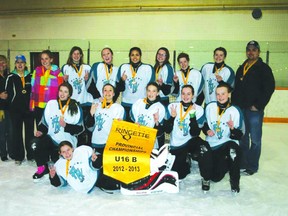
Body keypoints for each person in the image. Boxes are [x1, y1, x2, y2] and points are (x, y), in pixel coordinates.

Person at [232, 40, 275, 175]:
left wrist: (259, 105)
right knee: (243, 138)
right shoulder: (242, 67)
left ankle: (252, 166)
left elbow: (269, 88)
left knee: (255, 139)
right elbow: (236, 89)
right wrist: (235, 106)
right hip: (241, 109)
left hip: (254, 110)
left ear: (258, 52)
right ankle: (243, 163)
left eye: (254, 50)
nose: (251, 52)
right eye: (249, 50)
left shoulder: (264, 68)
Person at [31, 82, 84, 180]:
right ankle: (42, 167)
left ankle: (55, 158)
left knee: (61, 168)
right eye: (61, 91)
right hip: (52, 138)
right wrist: (41, 131)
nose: (62, 94)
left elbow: (80, 129)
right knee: (35, 144)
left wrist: (66, 126)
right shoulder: (51, 104)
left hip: (66, 143)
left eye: (65, 92)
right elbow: (44, 123)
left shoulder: (75, 106)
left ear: (69, 94)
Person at [165, 85, 212, 190]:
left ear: (193, 96)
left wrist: (192, 117)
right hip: (177, 145)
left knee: (204, 148)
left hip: (191, 141)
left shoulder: (198, 109)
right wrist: (172, 118)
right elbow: (167, 130)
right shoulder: (173, 106)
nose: (185, 96)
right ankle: (186, 160)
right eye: (183, 93)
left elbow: (195, 133)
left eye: (188, 94)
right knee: (179, 175)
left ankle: (206, 178)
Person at [203, 83, 245, 193]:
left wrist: (232, 130)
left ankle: (234, 182)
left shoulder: (235, 111)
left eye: (223, 94)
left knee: (233, 151)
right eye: (218, 94)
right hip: (213, 145)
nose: (220, 97)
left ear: (229, 94)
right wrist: (207, 130)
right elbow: (204, 124)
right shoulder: (210, 107)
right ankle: (225, 164)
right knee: (215, 177)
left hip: (227, 143)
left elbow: (240, 135)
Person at [62, 46, 93, 145]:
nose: (76, 56)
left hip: (85, 102)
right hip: (72, 103)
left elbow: (92, 85)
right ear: (71, 55)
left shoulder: (87, 67)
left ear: (81, 55)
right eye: (74, 53)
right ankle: (74, 147)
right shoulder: (66, 67)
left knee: (86, 127)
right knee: (74, 126)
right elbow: (62, 87)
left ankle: (86, 147)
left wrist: (88, 79)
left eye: (78, 54)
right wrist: (64, 80)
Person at [6, 55, 34, 165]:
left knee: (30, 133)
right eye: (17, 62)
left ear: (25, 63)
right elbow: (7, 94)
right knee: (17, 134)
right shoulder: (11, 77)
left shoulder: (31, 76)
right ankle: (19, 156)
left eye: (22, 62)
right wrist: (9, 107)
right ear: (15, 64)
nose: (20, 64)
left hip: (29, 110)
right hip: (15, 110)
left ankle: (31, 155)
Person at [117, 47, 155, 122]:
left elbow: (152, 88)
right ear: (129, 56)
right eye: (132, 55)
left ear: (140, 56)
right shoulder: (123, 67)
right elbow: (119, 89)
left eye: (137, 55)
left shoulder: (148, 68)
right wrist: (122, 81)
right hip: (126, 104)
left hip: (141, 104)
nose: (134, 57)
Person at [86, 83, 125, 154]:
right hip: (96, 142)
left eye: (110, 90)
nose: (107, 92)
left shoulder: (118, 108)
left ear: (113, 94)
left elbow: (119, 130)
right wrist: (91, 114)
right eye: (105, 90)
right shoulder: (96, 106)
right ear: (102, 93)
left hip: (110, 144)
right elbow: (89, 128)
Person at [30, 50, 64, 128]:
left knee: (51, 127)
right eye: (42, 59)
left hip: (52, 105)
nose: (44, 61)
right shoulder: (37, 71)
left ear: (51, 59)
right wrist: (32, 104)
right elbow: (32, 88)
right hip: (38, 104)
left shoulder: (58, 72)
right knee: (40, 128)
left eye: (46, 58)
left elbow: (61, 89)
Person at [131, 82, 165, 149]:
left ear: (158, 93)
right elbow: (130, 120)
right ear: (146, 92)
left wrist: (157, 123)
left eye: (154, 91)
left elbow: (160, 132)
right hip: (136, 139)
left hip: (150, 142)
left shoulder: (160, 108)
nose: (151, 93)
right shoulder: (138, 103)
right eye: (149, 91)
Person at [0, 55, 13, 161]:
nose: (1, 64)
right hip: (0, 109)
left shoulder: (9, 76)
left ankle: (11, 151)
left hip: (9, 108)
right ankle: (3, 153)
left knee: (10, 131)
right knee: (2, 132)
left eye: (3, 62)